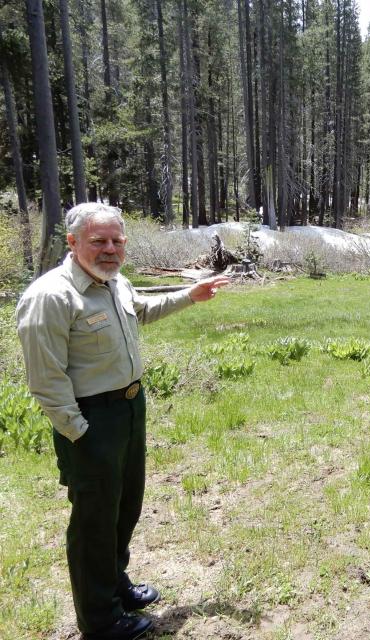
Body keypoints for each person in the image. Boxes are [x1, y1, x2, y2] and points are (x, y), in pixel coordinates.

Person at [16, 203, 230, 640]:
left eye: (117, 240)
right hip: (90, 420)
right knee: (94, 522)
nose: (110, 249)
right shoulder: (51, 296)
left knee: (124, 507)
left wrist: (191, 295)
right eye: (99, 241)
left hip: (130, 410)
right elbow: (46, 380)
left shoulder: (114, 282)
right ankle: (100, 620)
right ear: (72, 243)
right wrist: (79, 433)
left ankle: (115, 585)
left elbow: (143, 310)